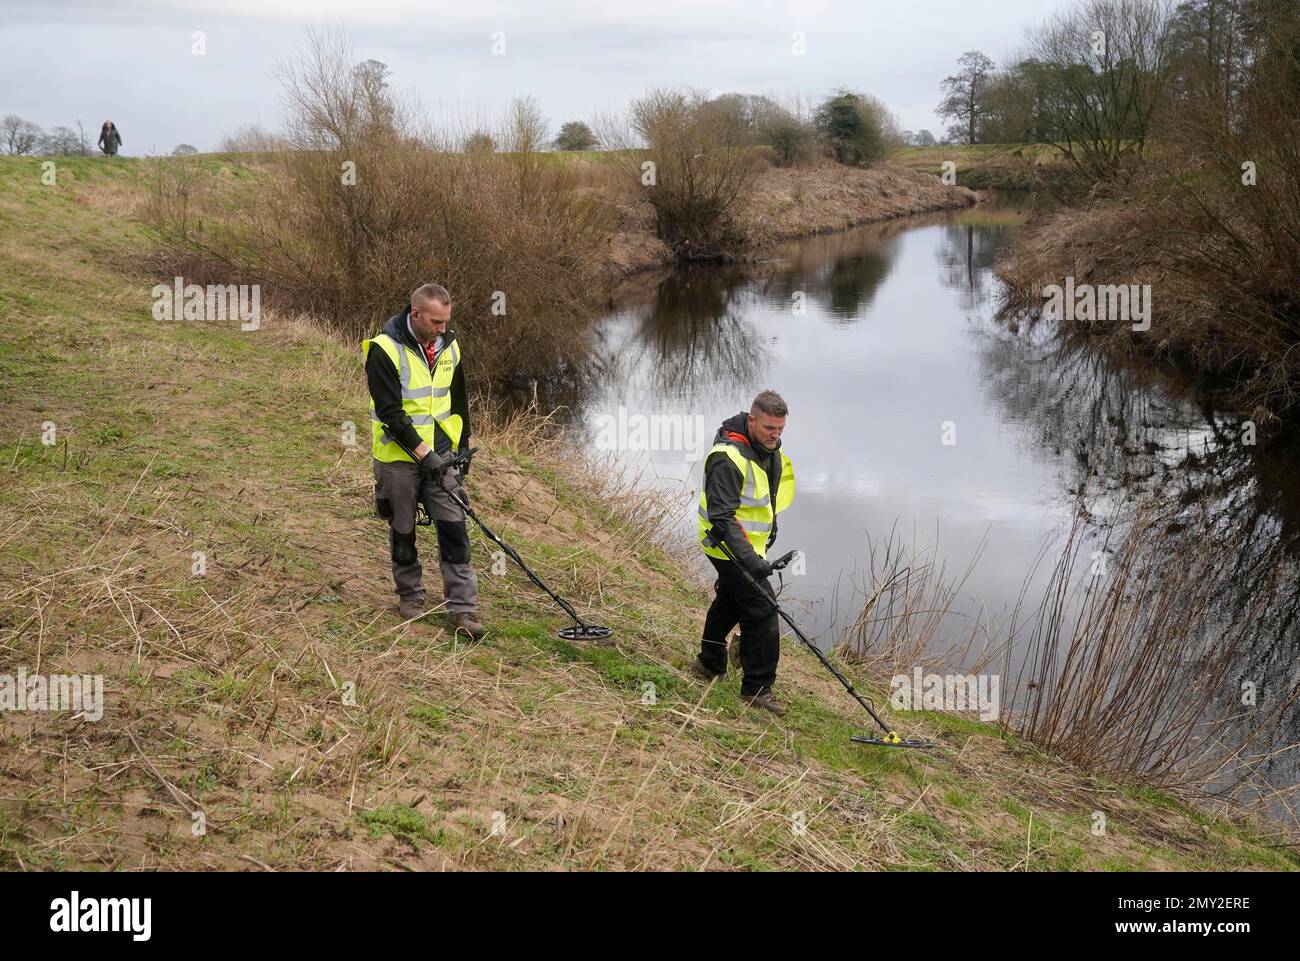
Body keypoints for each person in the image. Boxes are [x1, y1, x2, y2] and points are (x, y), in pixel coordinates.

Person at [363, 283, 485, 640]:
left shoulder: (449, 343)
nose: (443, 329)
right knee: (403, 529)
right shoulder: (383, 350)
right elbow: (390, 413)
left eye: (446, 321)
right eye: (436, 321)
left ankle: (463, 609)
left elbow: (459, 396)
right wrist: (422, 453)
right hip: (398, 458)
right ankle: (411, 597)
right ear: (415, 315)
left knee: (454, 527)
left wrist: (462, 445)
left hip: (442, 455)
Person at [691, 391, 795, 715]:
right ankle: (757, 689)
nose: (775, 436)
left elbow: (766, 495)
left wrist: (772, 526)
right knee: (763, 608)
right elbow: (722, 517)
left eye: (780, 429)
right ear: (752, 420)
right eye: (768, 428)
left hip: (749, 546)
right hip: (723, 545)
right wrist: (750, 560)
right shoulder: (727, 457)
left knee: (732, 601)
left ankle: (709, 664)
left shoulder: (768, 449)